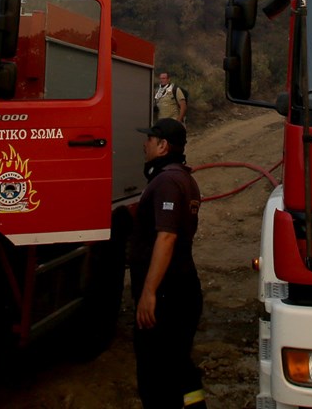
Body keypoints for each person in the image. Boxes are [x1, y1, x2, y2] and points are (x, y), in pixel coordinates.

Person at [130, 118, 206, 409]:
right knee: (178, 365)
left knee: (155, 373)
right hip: (183, 289)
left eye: (149, 139)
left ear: (162, 146)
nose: (144, 144)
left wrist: (149, 292)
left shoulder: (166, 182)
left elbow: (167, 238)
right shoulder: (185, 179)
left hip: (166, 294)